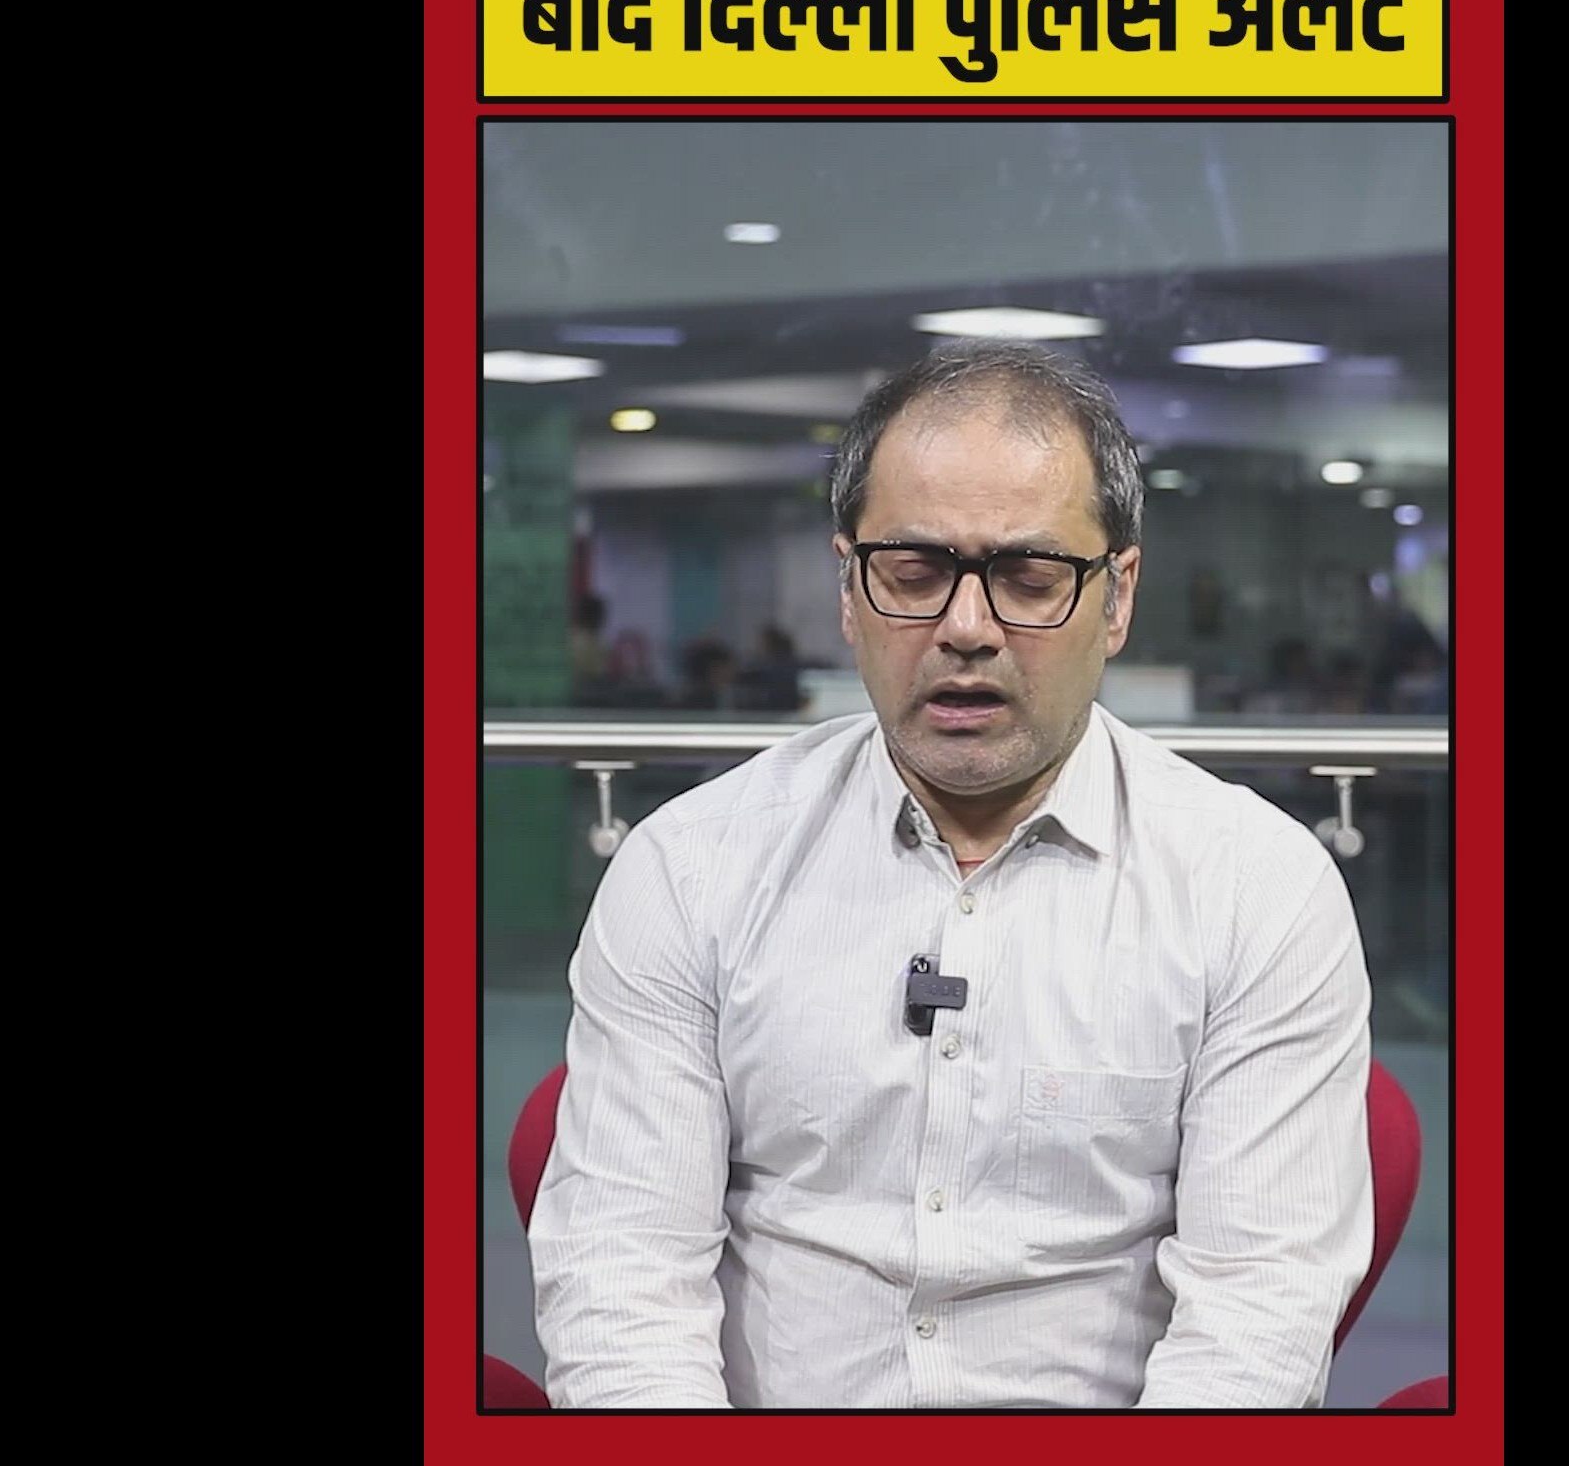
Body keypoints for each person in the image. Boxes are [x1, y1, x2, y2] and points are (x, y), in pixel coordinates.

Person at [529, 340, 1372, 1409]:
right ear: (849, 588)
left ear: (1116, 598)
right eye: (913, 573)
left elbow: (1257, 1312)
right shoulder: (690, 867)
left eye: (1029, 577)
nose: (965, 629)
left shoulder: (1257, 889)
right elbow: (619, 1273)